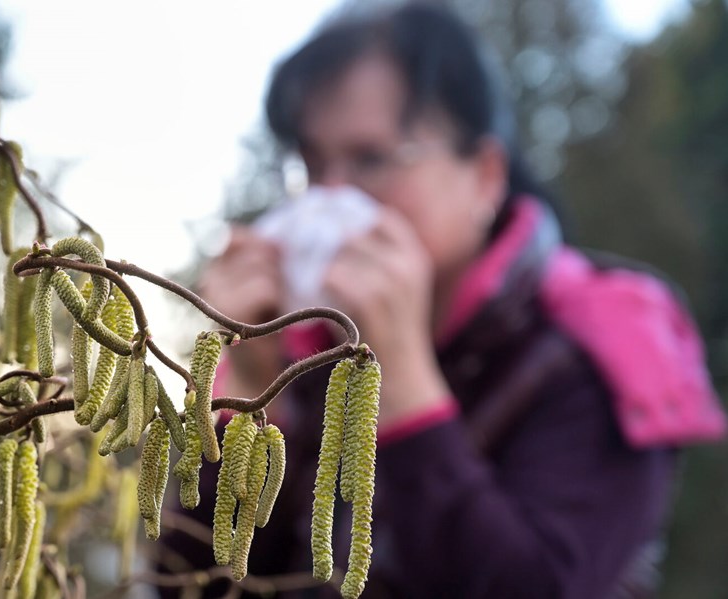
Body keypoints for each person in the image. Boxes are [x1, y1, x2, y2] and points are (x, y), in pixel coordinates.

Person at [160, 4, 726, 598]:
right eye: (312, 164)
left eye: (370, 159)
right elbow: (188, 583)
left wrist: (404, 382)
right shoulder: (310, 351)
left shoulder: (599, 353)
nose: (329, 198)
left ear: (483, 176)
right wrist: (251, 399)